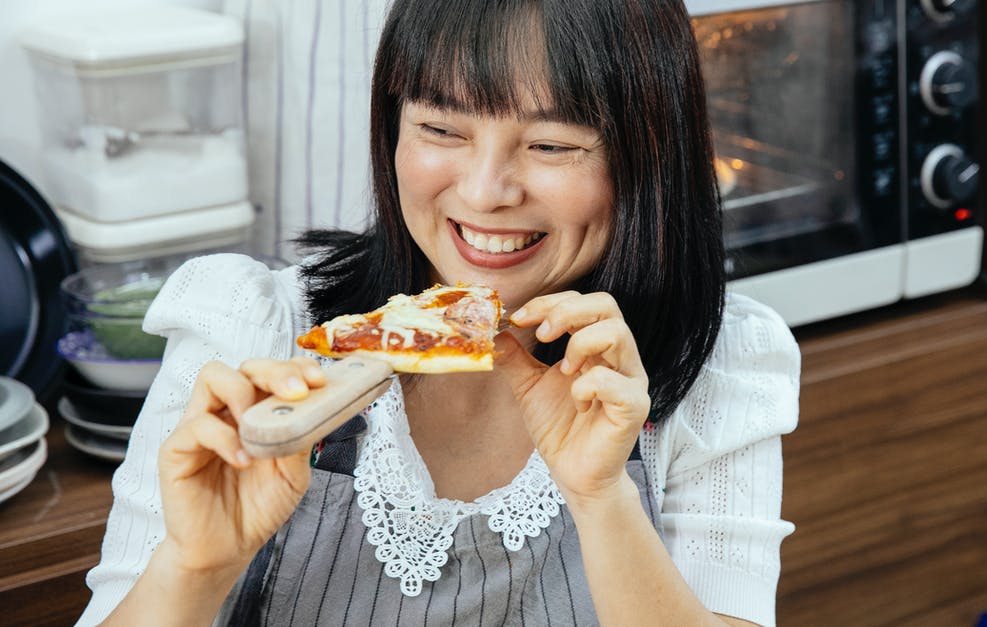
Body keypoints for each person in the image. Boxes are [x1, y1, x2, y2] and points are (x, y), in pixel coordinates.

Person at [77, 1, 799, 625]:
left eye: (550, 144)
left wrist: (603, 496)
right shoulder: (251, 332)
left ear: (650, 154)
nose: (485, 192)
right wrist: (194, 565)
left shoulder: (715, 368)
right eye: (442, 131)